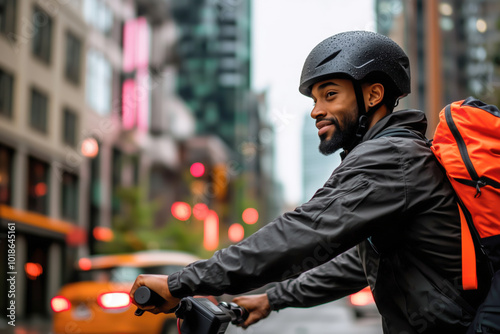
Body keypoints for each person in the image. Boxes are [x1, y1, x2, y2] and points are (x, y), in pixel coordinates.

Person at [130, 31, 489, 333]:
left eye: (330, 95)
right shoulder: (398, 156)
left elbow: (303, 232)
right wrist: (273, 298)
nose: (316, 110)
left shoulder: (390, 158)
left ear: (374, 95)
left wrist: (181, 282)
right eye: (315, 99)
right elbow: (357, 264)